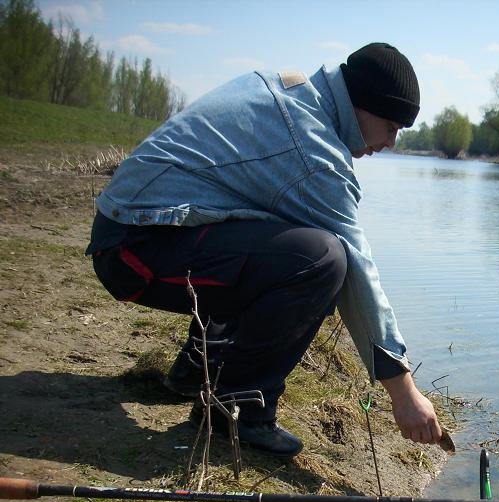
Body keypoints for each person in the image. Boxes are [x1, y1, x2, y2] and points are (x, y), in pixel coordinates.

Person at [87, 42, 442, 456]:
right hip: (134, 250)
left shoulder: (292, 93)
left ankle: (200, 365)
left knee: (287, 237)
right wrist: (404, 392)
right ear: (361, 105)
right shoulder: (313, 151)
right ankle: (237, 408)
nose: (392, 142)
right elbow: (359, 271)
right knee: (324, 259)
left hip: (136, 231)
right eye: (392, 126)